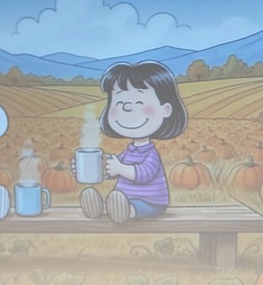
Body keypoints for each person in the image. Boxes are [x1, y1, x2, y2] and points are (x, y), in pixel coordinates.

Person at [79, 61, 188, 223]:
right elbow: (115, 170)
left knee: (132, 206)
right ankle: (103, 208)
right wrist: (95, 167)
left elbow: (144, 174)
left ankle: (124, 210)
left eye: (139, 103)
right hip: (123, 197)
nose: (127, 109)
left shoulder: (151, 154)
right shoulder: (129, 151)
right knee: (118, 202)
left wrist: (120, 168)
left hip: (151, 202)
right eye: (120, 103)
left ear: (166, 110)